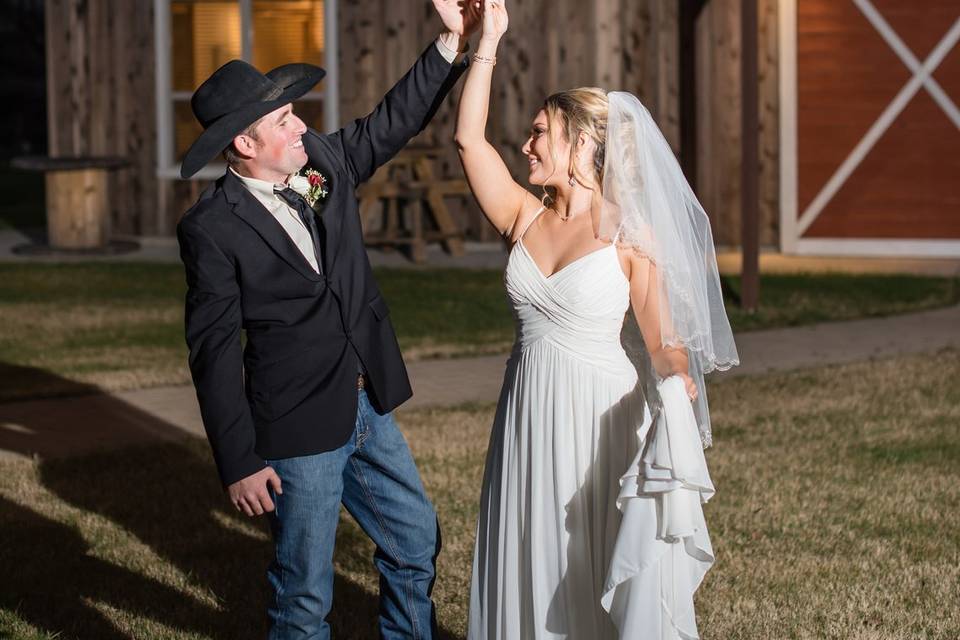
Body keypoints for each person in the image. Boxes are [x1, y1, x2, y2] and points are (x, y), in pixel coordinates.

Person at [176, 2, 480, 637]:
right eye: (284, 119)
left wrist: (451, 43)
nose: (301, 126)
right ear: (244, 143)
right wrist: (238, 460)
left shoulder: (317, 166)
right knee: (304, 596)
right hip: (298, 428)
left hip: (368, 402)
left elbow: (389, 126)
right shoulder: (213, 228)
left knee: (415, 543)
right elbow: (213, 351)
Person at [455, 1, 739, 638]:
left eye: (538, 134)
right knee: (527, 548)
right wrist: (488, 43)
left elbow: (663, 341)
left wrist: (676, 376)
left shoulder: (628, 239)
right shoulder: (523, 219)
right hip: (526, 413)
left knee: (582, 560)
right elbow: (468, 139)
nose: (524, 146)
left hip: (597, 418)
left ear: (581, 144)